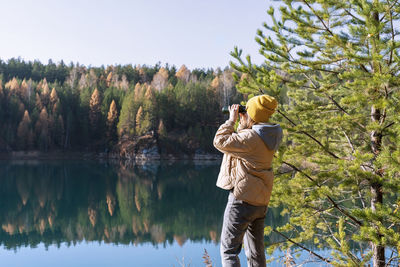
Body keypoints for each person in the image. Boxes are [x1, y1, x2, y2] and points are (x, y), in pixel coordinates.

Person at [213, 95, 283, 267]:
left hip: (242, 200)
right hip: (260, 202)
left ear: (253, 115)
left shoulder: (251, 139)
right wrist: (244, 123)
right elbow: (241, 141)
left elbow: (220, 141)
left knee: (229, 250)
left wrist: (231, 120)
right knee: (255, 252)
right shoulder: (270, 136)